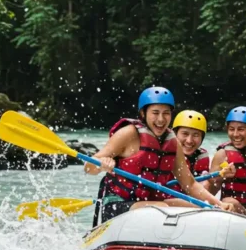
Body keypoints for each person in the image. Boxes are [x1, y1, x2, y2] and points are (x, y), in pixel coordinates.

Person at [85, 87, 230, 224]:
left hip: (152, 203)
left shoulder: (172, 142)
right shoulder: (128, 133)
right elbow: (88, 167)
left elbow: (190, 184)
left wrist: (218, 204)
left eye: (166, 113)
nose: (161, 119)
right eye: (155, 113)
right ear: (143, 113)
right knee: (162, 209)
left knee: (199, 209)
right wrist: (100, 165)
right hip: (117, 204)